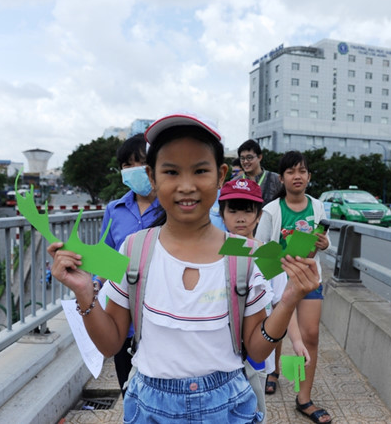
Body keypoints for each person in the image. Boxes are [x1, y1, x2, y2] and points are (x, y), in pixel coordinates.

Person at [48, 112, 320, 423]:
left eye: (200, 170)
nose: (187, 186)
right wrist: (85, 293)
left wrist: (288, 300)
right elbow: (111, 343)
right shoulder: (135, 249)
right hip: (149, 408)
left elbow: (257, 351)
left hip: (228, 408)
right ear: (152, 177)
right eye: (172, 172)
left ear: (220, 176)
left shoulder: (245, 254)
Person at [218, 178, 310, 421]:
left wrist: (297, 342)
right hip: (220, 353)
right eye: (233, 210)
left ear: (258, 216)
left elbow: (281, 303)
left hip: (256, 353)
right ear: (222, 213)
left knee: (253, 410)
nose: (240, 218)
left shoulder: (269, 256)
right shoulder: (214, 252)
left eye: (247, 211)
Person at [255, 150, 332, 424]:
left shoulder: (318, 206)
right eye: (290, 172)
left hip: (309, 278)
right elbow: (260, 247)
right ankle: (275, 372)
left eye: (301, 171)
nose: (296, 176)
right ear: (281, 178)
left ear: (309, 176)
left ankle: (303, 397)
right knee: (276, 335)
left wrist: (324, 244)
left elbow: (324, 242)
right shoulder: (271, 210)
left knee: (309, 335)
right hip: (280, 280)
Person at [93, 133, 161, 393]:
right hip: (122, 316)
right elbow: (106, 258)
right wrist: (96, 283)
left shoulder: (172, 208)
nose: (133, 171)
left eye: (140, 163)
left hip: (160, 313)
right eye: (126, 165)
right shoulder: (114, 209)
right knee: (128, 387)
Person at [235, 139, 282, 205]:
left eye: (249, 157)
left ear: (259, 157)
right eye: (242, 158)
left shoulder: (276, 179)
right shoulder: (235, 182)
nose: (245, 161)